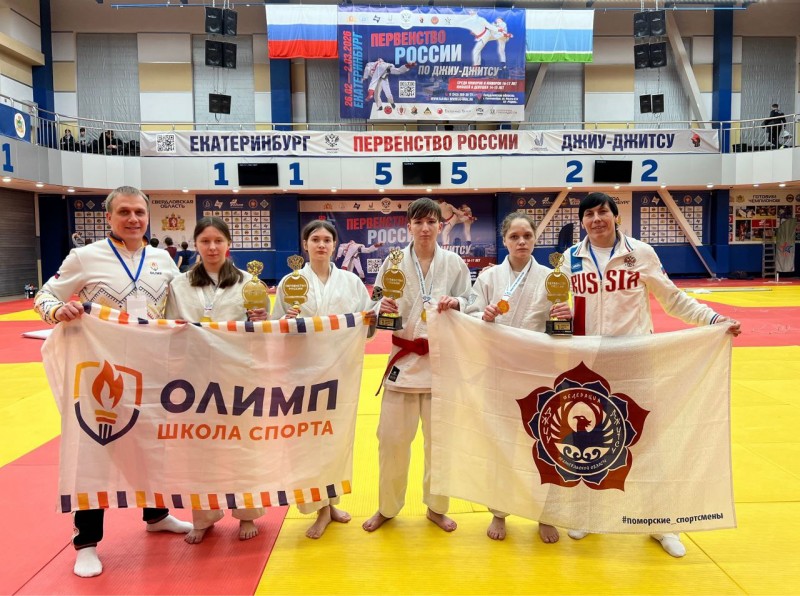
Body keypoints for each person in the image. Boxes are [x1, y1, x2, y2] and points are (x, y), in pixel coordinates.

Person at [562, 192, 741, 558]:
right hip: (588, 365)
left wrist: (712, 319)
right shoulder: (570, 258)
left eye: (603, 212)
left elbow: (672, 299)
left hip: (636, 360)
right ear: (581, 222)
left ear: (616, 217)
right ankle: (587, 514)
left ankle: (661, 523)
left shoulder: (640, 253)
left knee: (647, 443)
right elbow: (553, 303)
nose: (596, 219)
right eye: (589, 214)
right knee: (587, 444)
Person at [33, 186, 192, 578]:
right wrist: (58, 310)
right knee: (95, 450)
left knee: (154, 444)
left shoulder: (163, 260)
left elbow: (180, 308)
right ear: (109, 217)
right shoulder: (84, 257)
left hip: (152, 370)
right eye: (124, 212)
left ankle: (156, 515)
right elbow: (44, 296)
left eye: (139, 212)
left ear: (148, 216)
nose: (133, 219)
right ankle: (86, 542)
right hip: (99, 371)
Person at [363, 197, 472, 534]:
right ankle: (387, 507)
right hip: (403, 363)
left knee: (439, 445)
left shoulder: (454, 263)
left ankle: (436, 508)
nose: (425, 228)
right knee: (391, 442)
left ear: (440, 226)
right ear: (408, 226)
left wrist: (458, 303)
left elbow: (471, 301)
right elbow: (373, 302)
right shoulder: (392, 262)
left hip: (440, 366)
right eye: (419, 222)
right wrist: (381, 307)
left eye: (431, 222)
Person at [465, 213, 571, 544]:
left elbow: (562, 327)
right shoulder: (489, 277)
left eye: (527, 235)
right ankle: (499, 511)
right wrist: (482, 316)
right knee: (502, 444)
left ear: (535, 239)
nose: (521, 241)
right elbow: (470, 314)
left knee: (544, 445)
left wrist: (564, 316)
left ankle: (546, 513)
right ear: (505, 240)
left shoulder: (552, 277)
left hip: (538, 372)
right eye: (514, 236)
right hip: (499, 371)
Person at [165, 216, 269, 544]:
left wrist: (262, 319)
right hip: (195, 377)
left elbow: (263, 331)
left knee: (243, 445)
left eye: (218, 241)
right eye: (205, 241)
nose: (212, 247)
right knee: (200, 449)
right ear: (196, 244)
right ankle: (204, 516)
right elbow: (170, 328)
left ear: (228, 244)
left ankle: (247, 513)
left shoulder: (249, 283)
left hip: (238, 373)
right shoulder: (179, 284)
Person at [271, 220, 373, 538]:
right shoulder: (291, 282)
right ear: (305, 245)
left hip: (341, 370)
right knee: (307, 441)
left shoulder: (352, 282)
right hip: (302, 371)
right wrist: (285, 321)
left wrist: (375, 315)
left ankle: (331, 503)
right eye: (315, 239)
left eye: (327, 240)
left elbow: (367, 326)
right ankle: (319, 509)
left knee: (335, 439)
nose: (321, 244)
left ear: (334, 245)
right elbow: (276, 327)